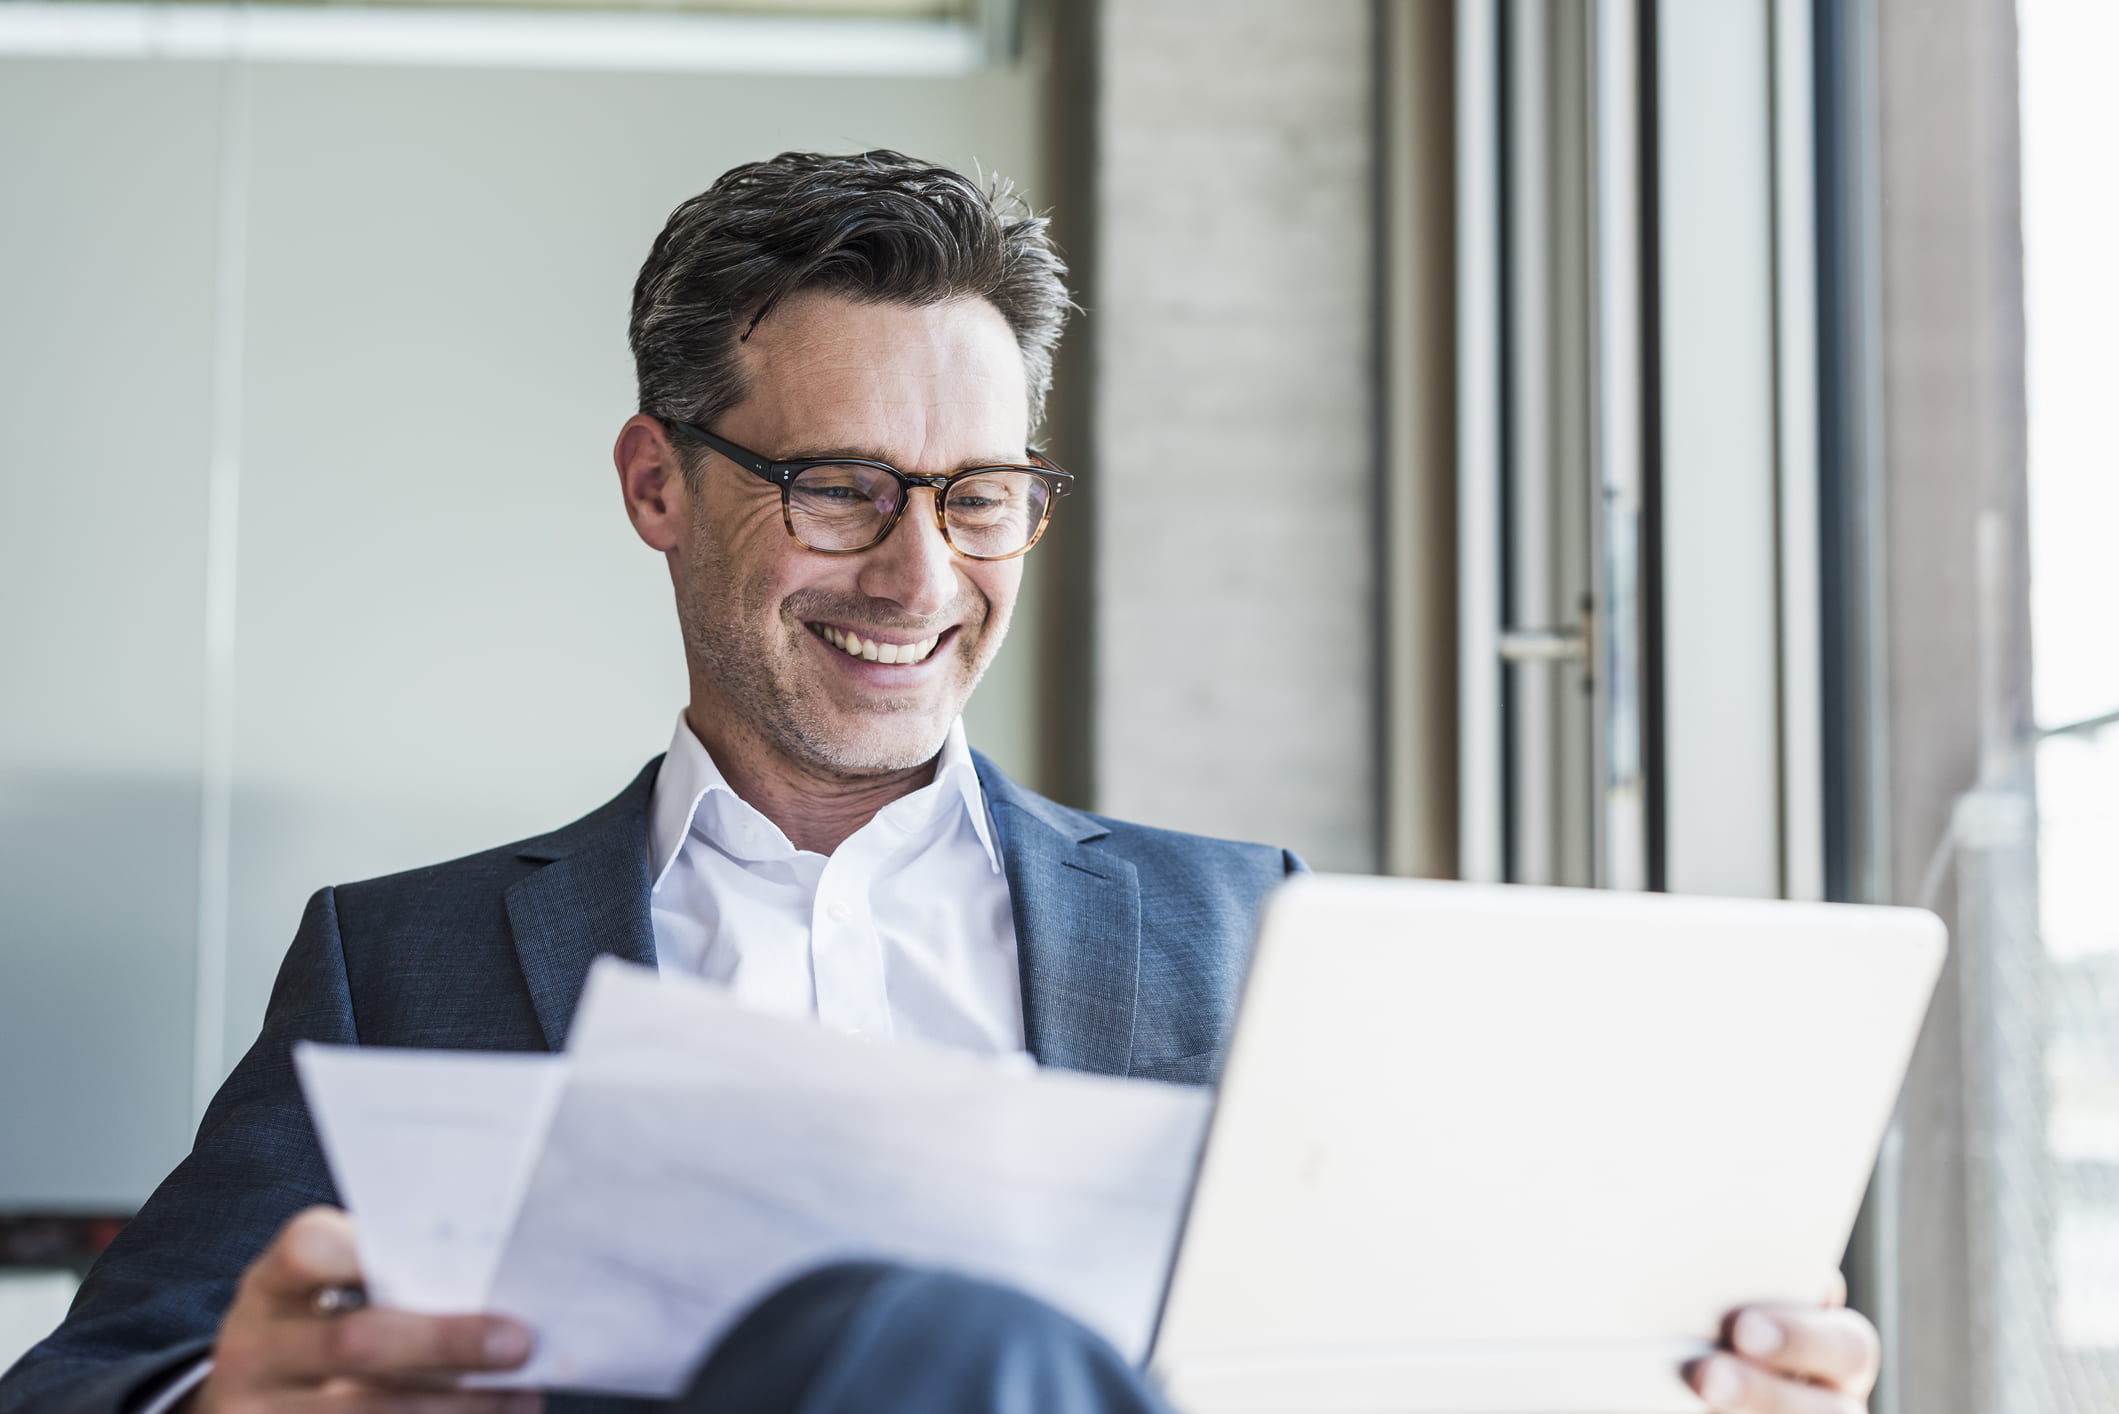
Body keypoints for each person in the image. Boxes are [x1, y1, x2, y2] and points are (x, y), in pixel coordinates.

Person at [0, 151, 1880, 1414]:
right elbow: (91, 1383)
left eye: (980, 498)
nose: (919, 580)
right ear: (661, 483)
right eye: (842, 490)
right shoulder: (399, 961)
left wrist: (1689, 1370)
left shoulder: (1252, 931)